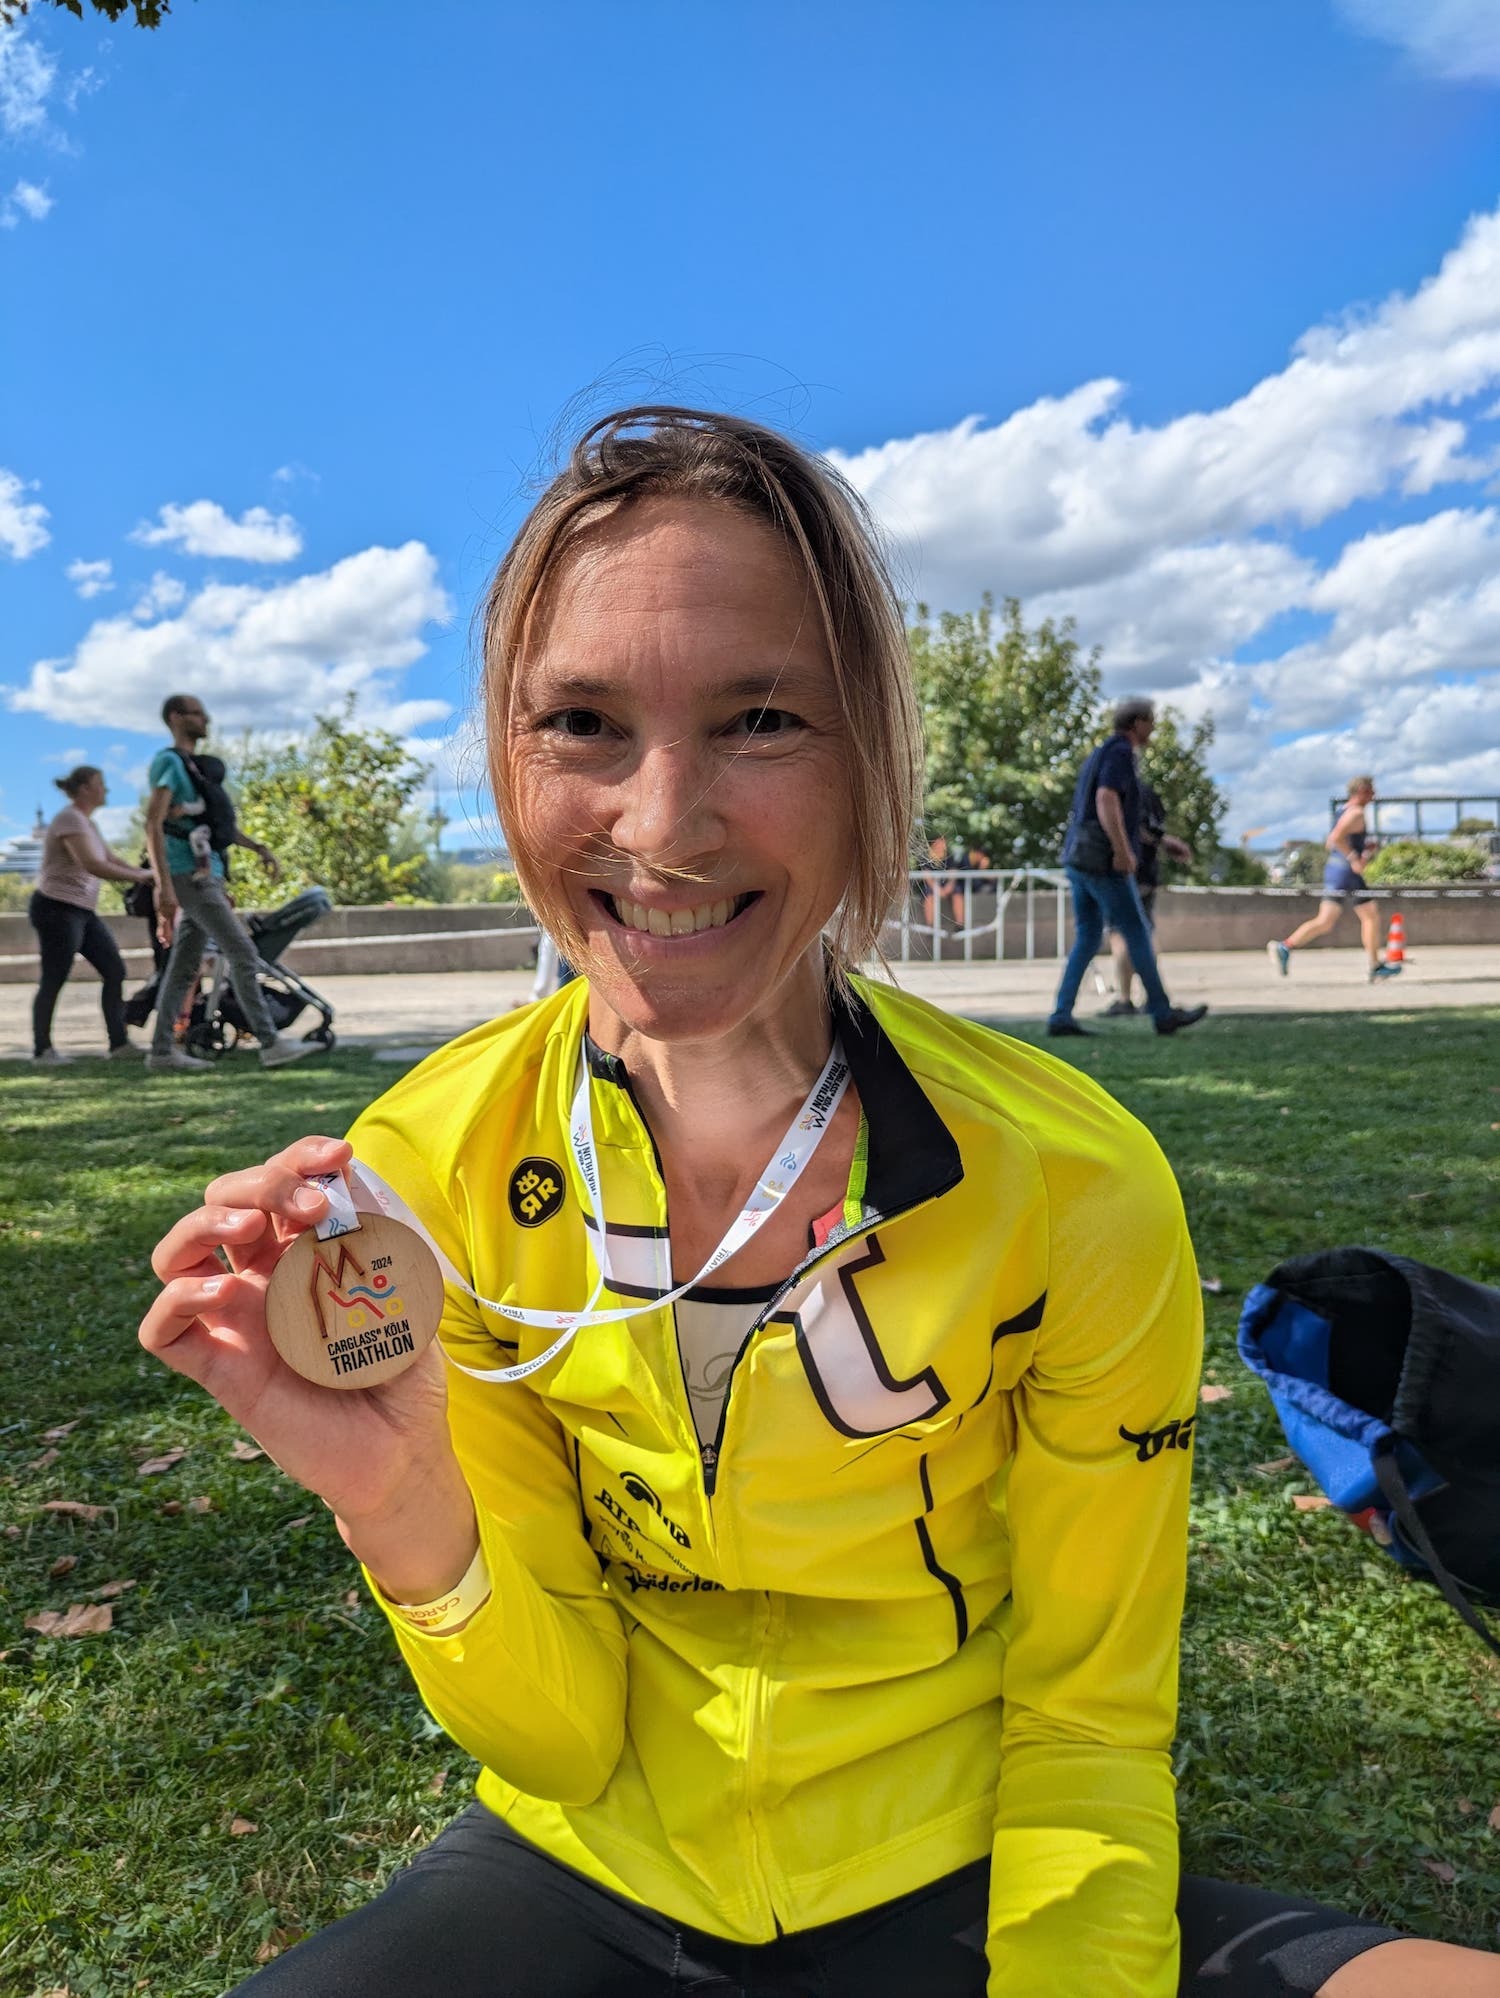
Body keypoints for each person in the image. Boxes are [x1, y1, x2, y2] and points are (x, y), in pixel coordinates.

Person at [140, 409, 1498, 1998]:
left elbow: (1085, 1716)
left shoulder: (1076, 1182)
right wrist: (401, 1511)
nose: (662, 824)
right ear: (508, 757)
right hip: (588, 1865)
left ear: (871, 757)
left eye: (763, 716)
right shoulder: (424, 1165)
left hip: (967, 1854)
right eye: (581, 720)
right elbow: (565, 1741)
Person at [144, 694, 322, 1072]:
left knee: (182, 968)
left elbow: (208, 824)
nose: (206, 719)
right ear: (176, 718)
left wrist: (257, 847)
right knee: (242, 953)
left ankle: (161, 1051)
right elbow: (153, 823)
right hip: (190, 876)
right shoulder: (169, 763)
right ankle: (271, 1044)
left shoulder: (195, 769)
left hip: (205, 874)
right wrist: (164, 887)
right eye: (197, 713)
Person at [1049, 699, 1208, 1038]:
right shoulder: (1121, 753)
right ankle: (1162, 1012)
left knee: (1089, 936)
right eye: (1151, 721)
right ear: (1137, 723)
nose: (1153, 728)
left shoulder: (1100, 753)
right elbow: (1107, 800)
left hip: (1079, 857)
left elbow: (1116, 812)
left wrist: (1163, 842)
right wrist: (1123, 852)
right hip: (1103, 862)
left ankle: (1060, 1015)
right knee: (1136, 931)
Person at [28, 765, 154, 1065]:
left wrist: (146, 873)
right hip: (56, 908)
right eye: (100, 784)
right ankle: (42, 1051)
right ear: (84, 788)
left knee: (114, 971)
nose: (106, 789)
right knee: (54, 978)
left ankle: (119, 1044)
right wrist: (140, 878)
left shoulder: (88, 823)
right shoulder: (69, 819)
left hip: (82, 911)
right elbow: (93, 864)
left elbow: (110, 858)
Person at [1267, 778, 1402, 984]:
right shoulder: (1356, 813)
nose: (1374, 796)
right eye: (1371, 791)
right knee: (1369, 916)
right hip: (1346, 873)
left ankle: (1286, 946)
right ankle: (1375, 966)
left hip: (1336, 871)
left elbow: (1333, 842)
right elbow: (1335, 838)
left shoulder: (1343, 811)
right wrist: (1354, 858)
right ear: (1361, 791)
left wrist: (1360, 851)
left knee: (1327, 921)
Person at [1101, 778, 1194, 1016]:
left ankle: (1127, 997)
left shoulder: (1122, 790)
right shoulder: (1149, 793)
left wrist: (1122, 853)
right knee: (1143, 932)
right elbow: (1154, 829)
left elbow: (1138, 828)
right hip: (1146, 871)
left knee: (1123, 934)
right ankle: (1148, 998)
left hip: (1129, 870)